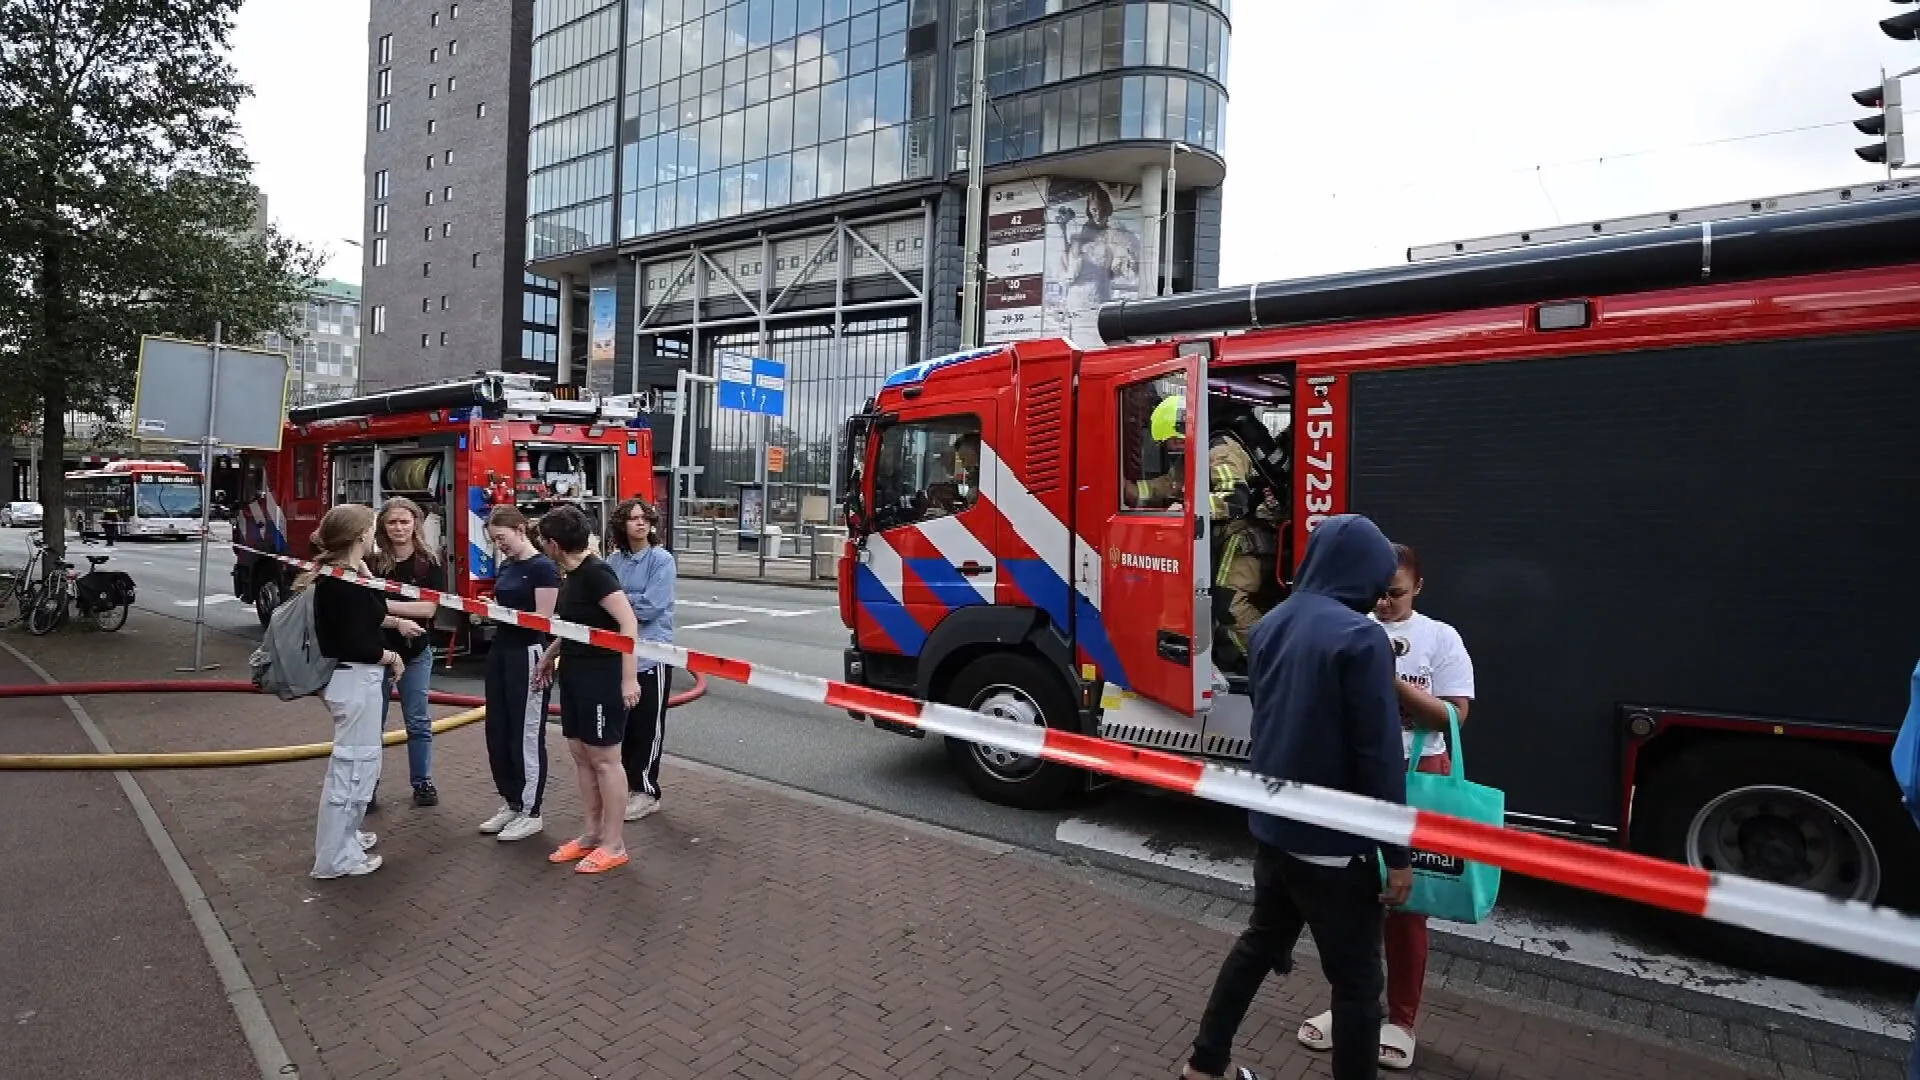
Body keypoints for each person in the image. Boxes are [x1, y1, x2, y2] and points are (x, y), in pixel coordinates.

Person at [1182, 513, 1411, 1080]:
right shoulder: (1362, 639)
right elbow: (1379, 755)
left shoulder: (1272, 624)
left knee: (1258, 945)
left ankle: (1205, 1064)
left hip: (1274, 829)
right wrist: (1399, 853)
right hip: (1335, 843)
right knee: (1358, 988)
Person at [1296, 543, 1474, 1071]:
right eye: (1377, 594)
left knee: (1406, 905)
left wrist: (1387, 679)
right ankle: (1351, 1007)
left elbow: (1454, 718)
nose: (1384, 604)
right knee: (1350, 902)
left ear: (1418, 587)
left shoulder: (1440, 639)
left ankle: (1400, 1020)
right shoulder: (1350, 628)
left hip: (1418, 775)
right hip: (1354, 776)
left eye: (1395, 594)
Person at [532, 505, 643, 875]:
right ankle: (592, 834)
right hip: (576, 674)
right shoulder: (570, 575)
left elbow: (628, 625)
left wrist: (629, 678)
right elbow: (575, 626)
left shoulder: (597, 574)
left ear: (552, 544)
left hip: (602, 676)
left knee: (605, 759)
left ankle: (615, 843)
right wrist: (550, 654)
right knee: (581, 753)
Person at [305, 504, 414, 879]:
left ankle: (345, 838)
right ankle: (336, 857)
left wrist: (363, 568)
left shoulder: (345, 576)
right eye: (369, 529)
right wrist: (390, 656)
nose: (374, 535)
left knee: (358, 765)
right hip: (356, 678)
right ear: (358, 536)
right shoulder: (343, 583)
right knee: (354, 768)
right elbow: (355, 640)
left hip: (353, 680)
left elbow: (372, 610)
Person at [1132, 395, 1281, 668]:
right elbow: (1170, 484)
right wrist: (1129, 491)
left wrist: (1187, 509)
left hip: (1248, 538)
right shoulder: (1196, 451)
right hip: (1235, 537)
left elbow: (1234, 499)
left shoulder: (1219, 451)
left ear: (1183, 430)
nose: (1173, 449)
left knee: (1228, 604)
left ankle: (1274, 658)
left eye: (1173, 441)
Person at [477, 505, 560, 843]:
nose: (500, 545)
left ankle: (531, 810)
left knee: (525, 733)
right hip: (501, 650)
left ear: (521, 529)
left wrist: (499, 611)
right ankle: (511, 800)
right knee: (498, 728)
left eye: (502, 538)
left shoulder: (543, 568)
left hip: (528, 651)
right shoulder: (508, 565)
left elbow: (542, 620)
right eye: (495, 540)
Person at [368, 497, 445, 809]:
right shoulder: (372, 562)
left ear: (416, 523)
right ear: (383, 526)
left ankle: (423, 783)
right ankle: (367, 787)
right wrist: (398, 615)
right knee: (373, 723)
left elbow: (428, 608)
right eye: (392, 522)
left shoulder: (429, 562)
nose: (399, 528)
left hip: (416, 654)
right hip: (377, 654)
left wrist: (381, 604)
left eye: (404, 521)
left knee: (418, 721)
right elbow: (361, 609)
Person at [605, 497, 677, 822]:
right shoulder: (613, 561)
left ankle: (646, 790)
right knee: (625, 727)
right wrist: (622, 603)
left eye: (644, 517)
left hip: (653, 655)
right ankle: (627, 787)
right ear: (622, 525)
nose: (640, 523)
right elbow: (602, 602)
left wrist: (618, 602)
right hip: (620, 654)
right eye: (633, 518)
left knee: (649, 726)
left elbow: (651, 607)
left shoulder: (661, 561)